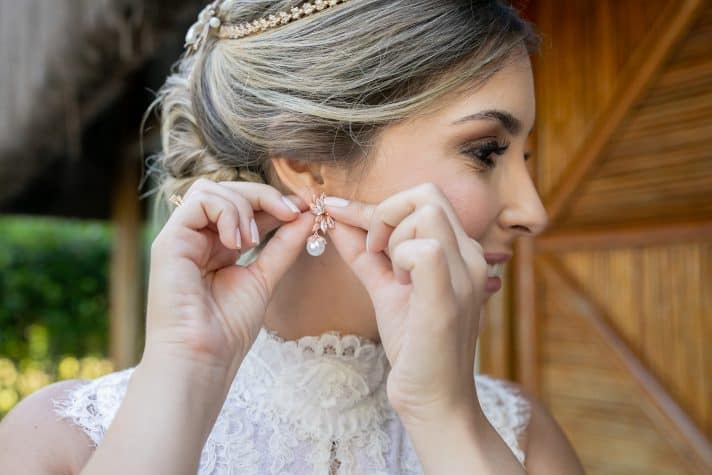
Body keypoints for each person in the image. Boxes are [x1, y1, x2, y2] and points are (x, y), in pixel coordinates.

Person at [0, 0, 585, 473]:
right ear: (305, 161)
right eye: (486, 152)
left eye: (526, 158)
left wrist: (446, 417)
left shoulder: (523, 439)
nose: (532, 212)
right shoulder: (59, 443)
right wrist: (187, 374)